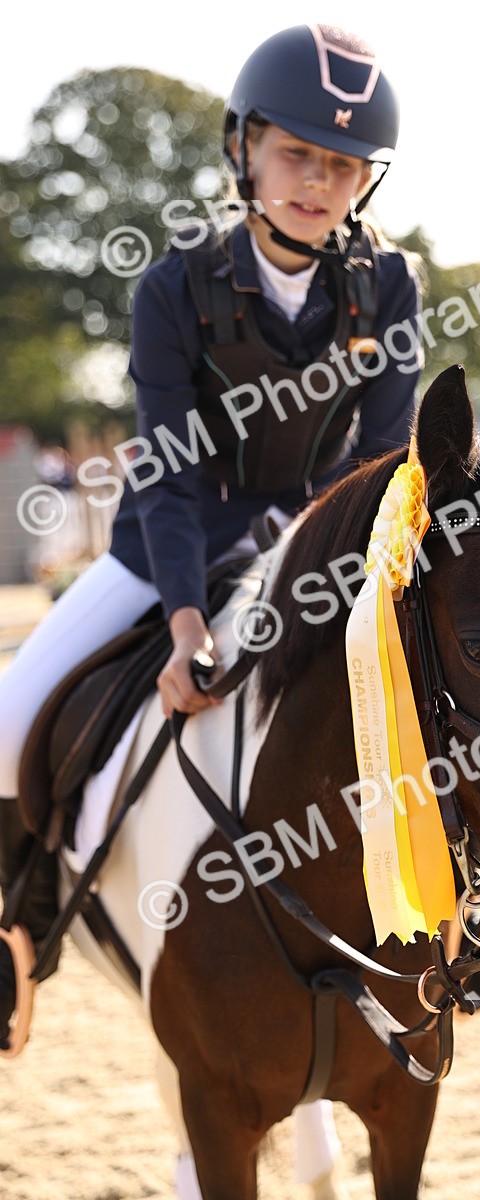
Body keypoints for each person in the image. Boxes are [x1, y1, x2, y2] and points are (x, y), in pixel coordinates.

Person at [0, 23, 420, 1046]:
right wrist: (189, 624)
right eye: (296, 154)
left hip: (313, 557)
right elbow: (172, 468)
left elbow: (384, 456)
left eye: (342, 163)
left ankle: (452, 947)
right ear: (244, 149)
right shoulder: (174, 287)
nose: (318, 181)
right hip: (165, 552)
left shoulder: (387, 286)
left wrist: (328, 566)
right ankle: (19, 931)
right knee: (8, 719)